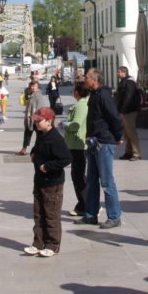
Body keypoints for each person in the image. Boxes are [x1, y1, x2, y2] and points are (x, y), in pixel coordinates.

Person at [76, 68, 124, 229]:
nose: (84, 79)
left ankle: (114, 216)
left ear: (95, 80)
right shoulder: (94, 95)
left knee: (107, 181)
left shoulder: (104, 96)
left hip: (103, 142)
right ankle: (91, 215)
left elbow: (115, 117)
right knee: (91, 181)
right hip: (93, 141)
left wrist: (118, 136)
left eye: (87, 77)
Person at [24, 108, 72, 257]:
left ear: (49, 121)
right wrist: (33, 153)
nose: (36, 123)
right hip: (39, 181)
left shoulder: (56, 138)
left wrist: (47, 167)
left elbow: (66, 158)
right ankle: (38, 243)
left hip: (53, 183)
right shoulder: (41, 134)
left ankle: (52, 244)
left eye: (39, 121)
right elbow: (37, 148)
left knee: (51, 215)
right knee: (38, 213)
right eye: (36, 121)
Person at [63, 80, 89, 217]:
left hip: (78, 144)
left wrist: (64, 124)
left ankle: (87, 205)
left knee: (78, 176)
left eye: (74, 90)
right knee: (78, 175)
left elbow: (76, 125)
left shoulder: (81, 106)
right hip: (76, 144)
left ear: (77, 92)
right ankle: (83, 204)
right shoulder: (83, 104)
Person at [115, 66, 142, 160]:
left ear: (124, 72)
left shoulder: (129, 82)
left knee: (131, 132)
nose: (117, 73)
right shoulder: (124, 81)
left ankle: (136, 153)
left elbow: (129, 97)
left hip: (129, 111)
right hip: (125, 111)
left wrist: (123, 110)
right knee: (127, 133)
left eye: (119, 72)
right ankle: (128, 152)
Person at [18, 80, 50, 156]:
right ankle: (24, 149)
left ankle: (37, 150)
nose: (33, 87)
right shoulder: (30, 94)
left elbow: (41, 107)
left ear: (38, 87)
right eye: (31, 86)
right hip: (30, 119)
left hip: (36, 119)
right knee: (28, 133)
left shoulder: (38, 95)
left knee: (38, 135)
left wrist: (37, 117)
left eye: (34, 86)